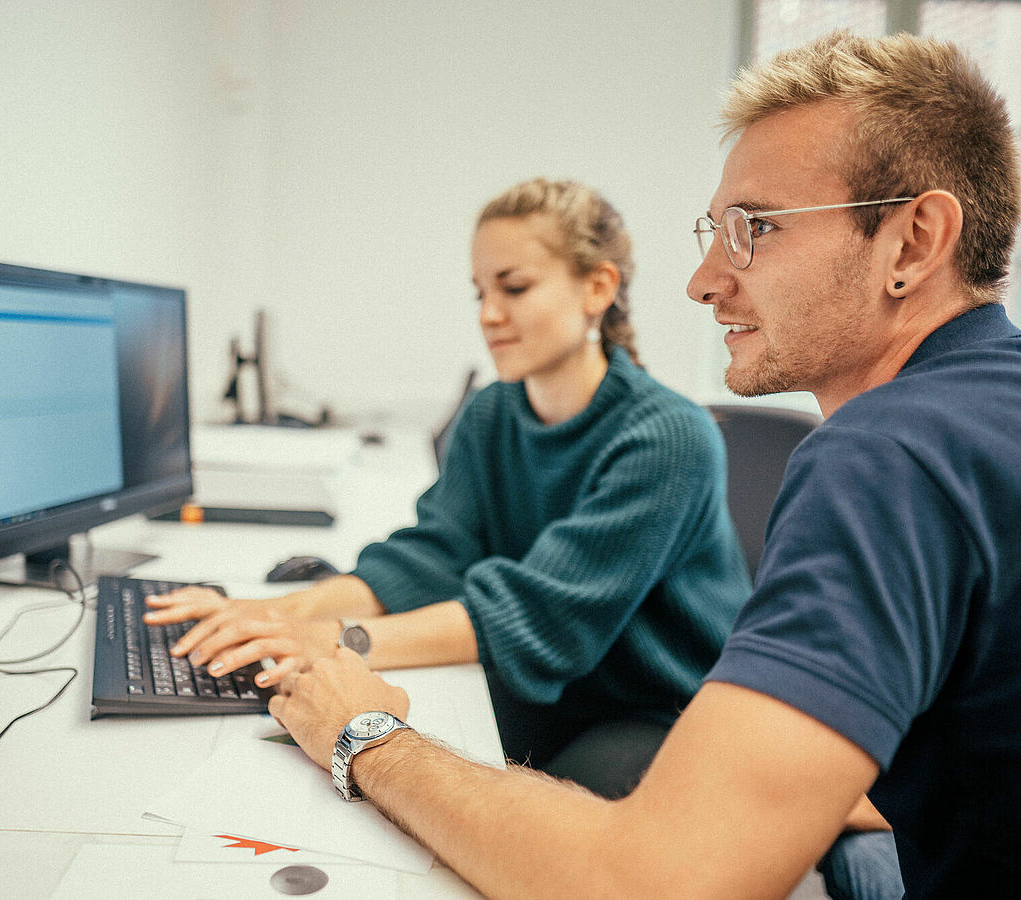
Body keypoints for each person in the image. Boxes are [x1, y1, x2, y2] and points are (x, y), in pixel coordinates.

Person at [264, 30, 1021, 899]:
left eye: (756, 229)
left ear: (913, 241)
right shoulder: (976, 420)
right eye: (716, 231)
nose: (703, 281)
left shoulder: (886, 457)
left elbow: (653, 881)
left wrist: (362, 734)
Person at [147, 177, 751, 796]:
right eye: (481, 292)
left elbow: (539, 619)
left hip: (648, 711)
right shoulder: (491, 413)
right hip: (546, 686)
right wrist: (272, 612)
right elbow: (436, 551)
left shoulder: (669, 437)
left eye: (514, 288)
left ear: (598, 288)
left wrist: (336, 638)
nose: (489, 315)